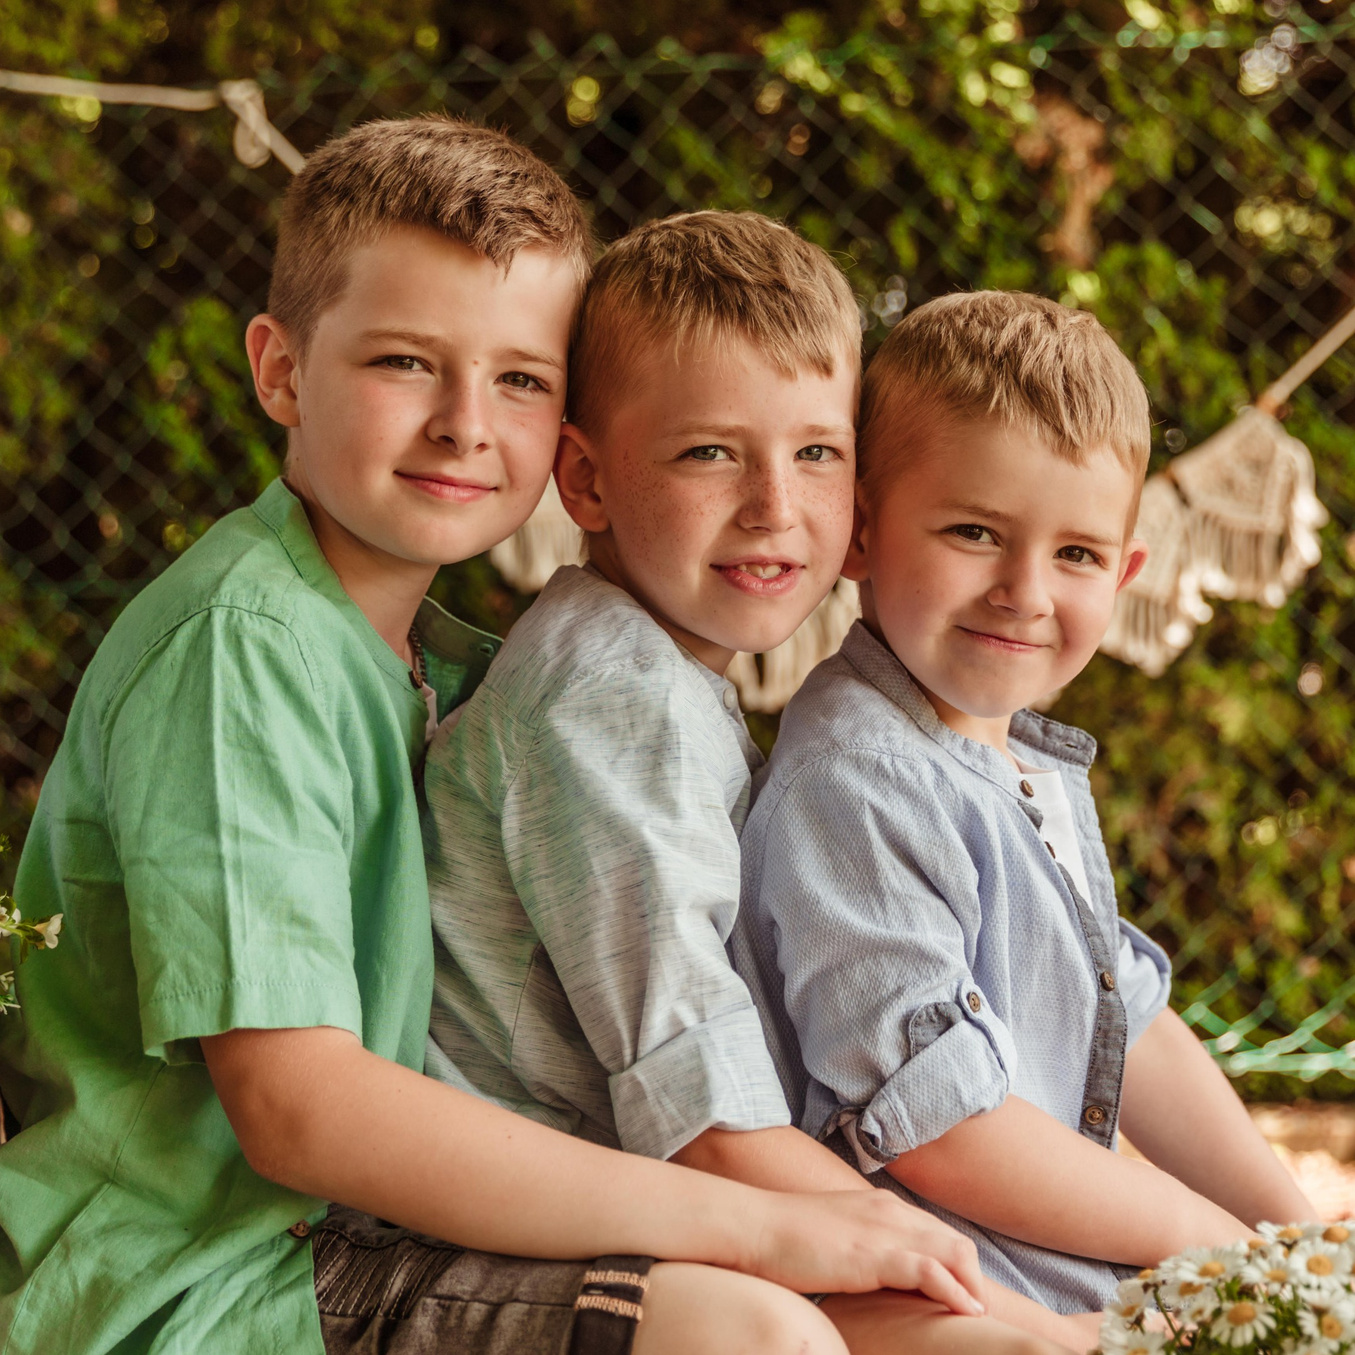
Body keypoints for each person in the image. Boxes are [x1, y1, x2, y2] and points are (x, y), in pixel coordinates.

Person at [0, 117, 998, 1355]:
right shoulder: (238, 642)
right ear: (278, 370)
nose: (466, 423)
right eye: (406, 363)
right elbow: (301, 1112)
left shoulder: (448, 660)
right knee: (748, 1331)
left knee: (927, 1318)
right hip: (207, 1277)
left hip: (356, 1243)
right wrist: (756, 1227)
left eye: (520, 377)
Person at [422, 214, 1090, 1354]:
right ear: (583, 479)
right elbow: (708, 1125)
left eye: (816, 452)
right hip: (515, 1239)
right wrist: (1007, 1306)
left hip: (653, 1201)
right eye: (708, 453)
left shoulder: (672, 676)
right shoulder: (611, 701)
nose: (774, 506)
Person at [733, 290, 1319, 1319]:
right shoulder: (860, 780)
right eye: (973, 532)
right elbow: (942, 1129)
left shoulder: (1017, 760)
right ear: (861, 532)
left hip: (1049, 1275)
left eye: (1076, 555)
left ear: (1125, 570)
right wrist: (1215, 1245)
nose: (1025, 590)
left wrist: (1296, 1237)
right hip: (942, 1301)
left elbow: (1126, 1022)